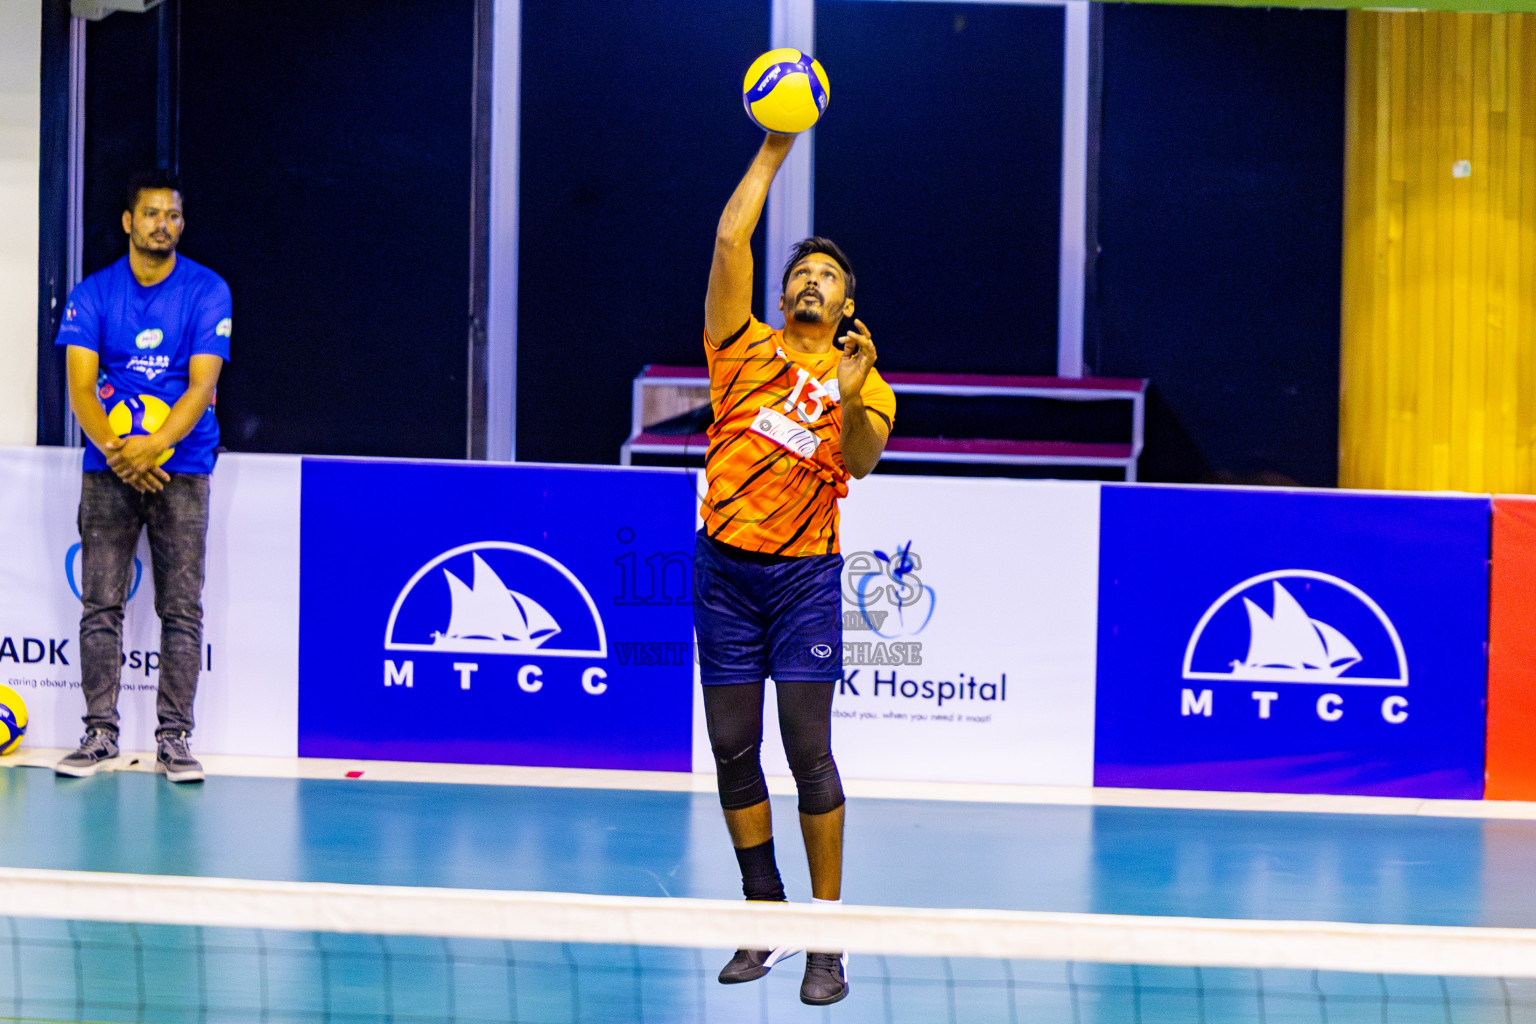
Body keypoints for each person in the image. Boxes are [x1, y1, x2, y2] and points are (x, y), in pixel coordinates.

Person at [694, 131, 896, 1007]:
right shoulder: (736, 347)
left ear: (849, 302)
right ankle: (765, 914)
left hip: (805, 579)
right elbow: (730, 238)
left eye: (828, 276)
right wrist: (776, 144)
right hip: (723, 571)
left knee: (808, 753)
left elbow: (859, 463)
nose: (812, 280)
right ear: (781, 295)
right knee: (733, 750)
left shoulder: (867, 380)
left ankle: (826, 935)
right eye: (801, 273)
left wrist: (850, 397)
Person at [53, 169, 231, 784]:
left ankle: (174, 740)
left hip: (182, 467)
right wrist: (117, 451)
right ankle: (99, 734)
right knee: (100, 602)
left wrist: (151, 450)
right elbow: (79, 387)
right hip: (109, 469)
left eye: (174, 215)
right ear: (129, 222)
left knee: (180, 608)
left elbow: (203, 384)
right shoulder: (94, 293)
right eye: (152, 214)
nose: (164, 225)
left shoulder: (209, 290)